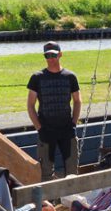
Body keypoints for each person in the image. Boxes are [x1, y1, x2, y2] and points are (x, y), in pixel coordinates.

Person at [27, 41, 82, 181]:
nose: (51, 59)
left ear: (60, 55)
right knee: (45, 173)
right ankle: (50, 202)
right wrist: (39, 128)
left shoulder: (70, 77)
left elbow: (77, 101)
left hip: (67, 130)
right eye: (47, 56)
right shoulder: (37, 77)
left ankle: (72, 200)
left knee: (72, 172)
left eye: (53, 55)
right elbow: (30, 105)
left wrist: (74, 123)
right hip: (46, 130)